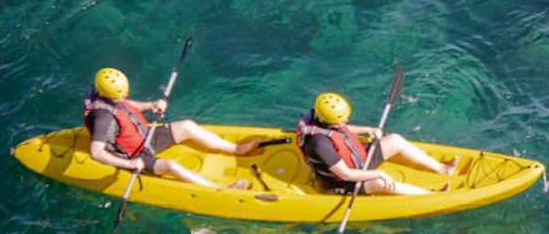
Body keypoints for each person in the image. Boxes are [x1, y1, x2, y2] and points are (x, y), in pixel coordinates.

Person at [83, 67, 258, 189]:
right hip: (134, 155)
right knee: (170, 166)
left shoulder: (109, 96)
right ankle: (218, 188)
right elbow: (96, 152)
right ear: (107, 94)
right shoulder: (102, 117)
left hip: (145, 138)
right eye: (121, 94)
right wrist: (130, 163)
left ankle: (236, 149)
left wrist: (152, 105)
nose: (125, 95)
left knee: (187, 126)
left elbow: (126, 105)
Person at [295, 91, 460, 195]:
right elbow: (346, 174)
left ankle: (444, 169)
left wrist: (368, 130)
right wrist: (379, 173)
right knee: (381, 183)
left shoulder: (322, 118)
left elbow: (340, 129)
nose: (346, 120)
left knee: (394, 140)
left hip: (358, 160)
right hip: (342, 182)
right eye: (342, 119)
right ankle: (431, 195)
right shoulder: (319, 144)